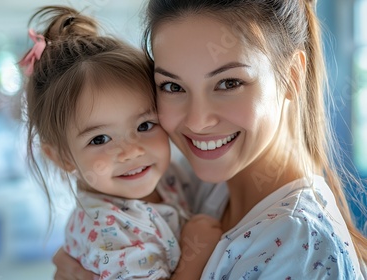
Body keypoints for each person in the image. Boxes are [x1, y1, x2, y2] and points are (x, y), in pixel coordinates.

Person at [53, 0, 367, 279]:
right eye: (173, 87)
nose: (197, 121)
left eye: (229, 83)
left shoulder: (300, 245)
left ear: (293, 76)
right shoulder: (194, 187)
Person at [21, 5, 223, 280]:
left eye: (144, 125)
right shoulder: (107, 229)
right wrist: (195, 255)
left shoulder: (170, 178)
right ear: (62, 157)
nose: (131, 151)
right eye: (100, 139)